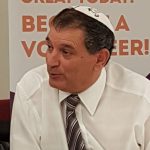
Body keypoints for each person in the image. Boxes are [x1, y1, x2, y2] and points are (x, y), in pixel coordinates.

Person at [10, 6, 150, 150]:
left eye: (65, 52)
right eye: (50, 47)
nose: (51, 62)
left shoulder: (142, 98)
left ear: (100, 59)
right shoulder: (31, 90)